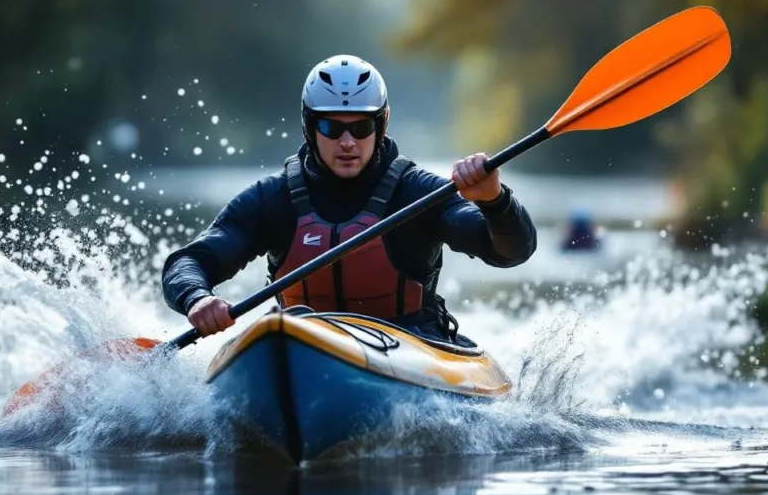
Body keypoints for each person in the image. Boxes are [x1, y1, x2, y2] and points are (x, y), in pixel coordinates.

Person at [161, 54, 538, 347]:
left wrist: (494, 201)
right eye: (331, 126)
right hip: (300, 341)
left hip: (411, 343)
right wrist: (197, 299)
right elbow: (190, 261)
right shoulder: (272, 199)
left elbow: (509, 251)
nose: (347, 142)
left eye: (360, 127)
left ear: (381, 124)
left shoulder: (418, 193)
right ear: (310, 126)